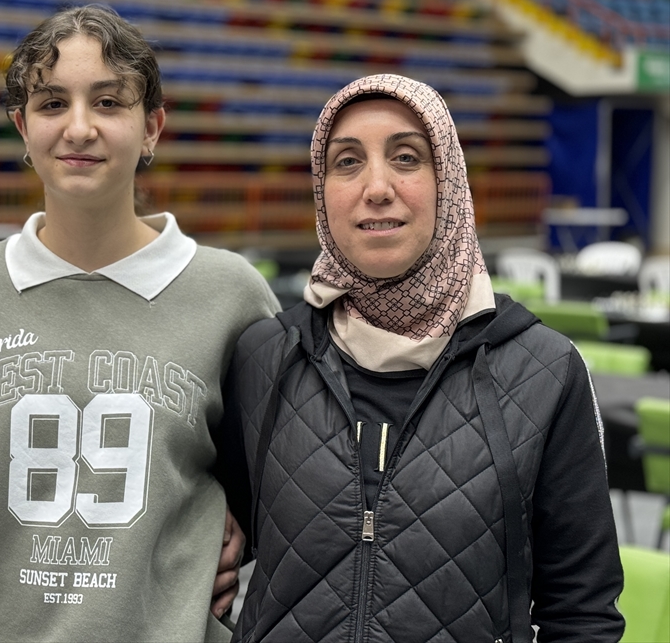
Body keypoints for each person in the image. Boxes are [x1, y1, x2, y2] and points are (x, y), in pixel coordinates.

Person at [227, 74, 624, 641]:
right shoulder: (264, 356)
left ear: (449, 181)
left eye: (407, 158)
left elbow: (581, 612)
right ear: (322, 190)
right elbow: (213, 556)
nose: (376, 187)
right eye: (347, 162)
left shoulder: (545, 370)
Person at [0, 5, 281, 642]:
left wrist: (235, 538)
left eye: (109, 102)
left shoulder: (230, 293)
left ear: (152, 128)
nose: (79, 127)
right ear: (22, 126)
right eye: (52, 103)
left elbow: (274, 487)